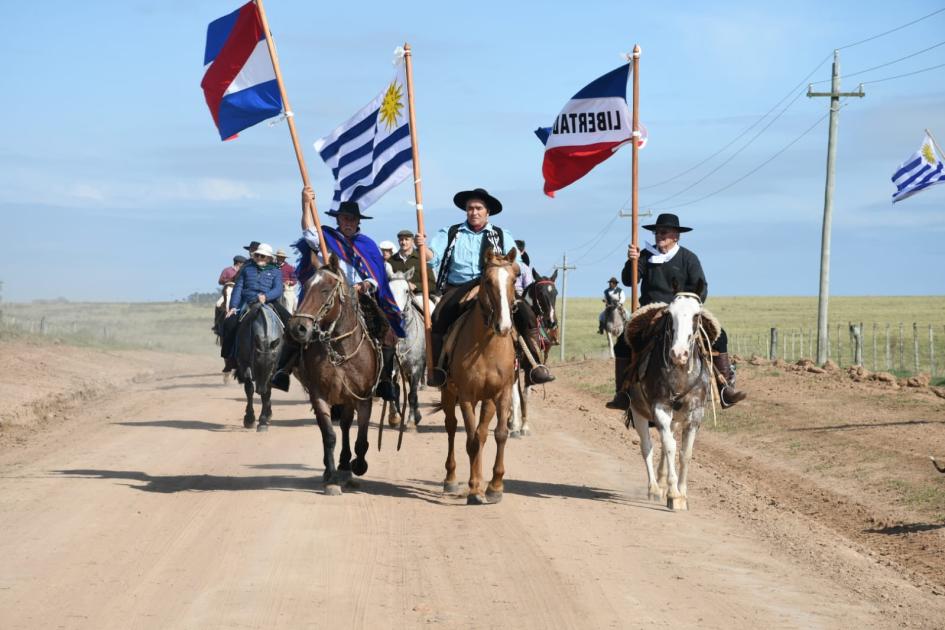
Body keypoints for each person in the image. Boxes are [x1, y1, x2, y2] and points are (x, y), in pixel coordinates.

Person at [270, 187, 404, 400]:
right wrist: (305, 204)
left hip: (358, 296)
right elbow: (308, 230)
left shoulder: (367, 245)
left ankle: (385, 380)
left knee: (386, 331)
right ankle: (282, 370)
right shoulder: (327, 238)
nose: (348, 223)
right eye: (344, 218)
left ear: (358, 221)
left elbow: (375, 277)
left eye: (352, 219)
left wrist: (366, 285)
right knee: (298, 325)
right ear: (339, 220)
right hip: (328, 294)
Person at [605, 213, 746, 410]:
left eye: (664, 232)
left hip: (683, 309)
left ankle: (724, 388)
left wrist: (687, 305)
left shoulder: (689, 258)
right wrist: (632, 261)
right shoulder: (645, 255)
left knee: (720, 335)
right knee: (623, 343)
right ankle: (623, 392)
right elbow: (629, 281)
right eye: (657, 232)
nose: (659, 235)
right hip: (651, 309)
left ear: (676, 236)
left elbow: (701, 287)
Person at [415, 187, 553, 387]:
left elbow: (519, 265)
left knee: (526, 314)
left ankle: (534, 367)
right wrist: (422, 248)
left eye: (479, 208)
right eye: (470, 208)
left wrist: (505, 267)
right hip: (458, 286)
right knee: (438, 318)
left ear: (487, 212)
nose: (474, 212)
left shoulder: (501, 234)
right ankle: (438, 369)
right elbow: (433, 258)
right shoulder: (451, 232)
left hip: (494, 285)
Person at [220, 243, 284, 372]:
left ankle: (286, 364)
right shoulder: (246, 269)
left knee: (290, 323)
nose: (260, 257)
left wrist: (266, 296)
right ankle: (230, 358)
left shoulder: (276, 271)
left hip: (269, 301)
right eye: (258, 255)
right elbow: (238, 288)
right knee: (229, 323)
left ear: (269, 258)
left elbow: (278, 289)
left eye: (263, 256)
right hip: (247, 301)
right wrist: (233, 307)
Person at [390, 229, 435, 297]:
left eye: (406, 239)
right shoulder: (391, 261)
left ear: (412, 241)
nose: (404, 242)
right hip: (398, 297)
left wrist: (416, 286)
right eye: (401, 240)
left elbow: (432, 284)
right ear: (398, 241)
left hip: (420, 296)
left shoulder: (422, 258)